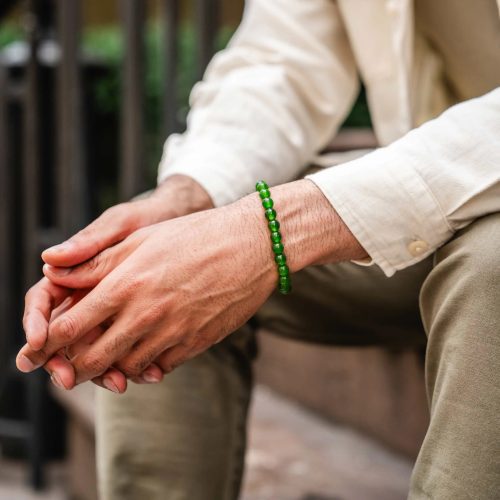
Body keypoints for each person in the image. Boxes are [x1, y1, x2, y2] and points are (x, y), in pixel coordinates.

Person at [16, 0, 500, 498]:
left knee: (493, 264)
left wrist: (272, 231)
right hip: (440, 187)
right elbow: (284, 58)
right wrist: (187, 196)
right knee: (164, 260)